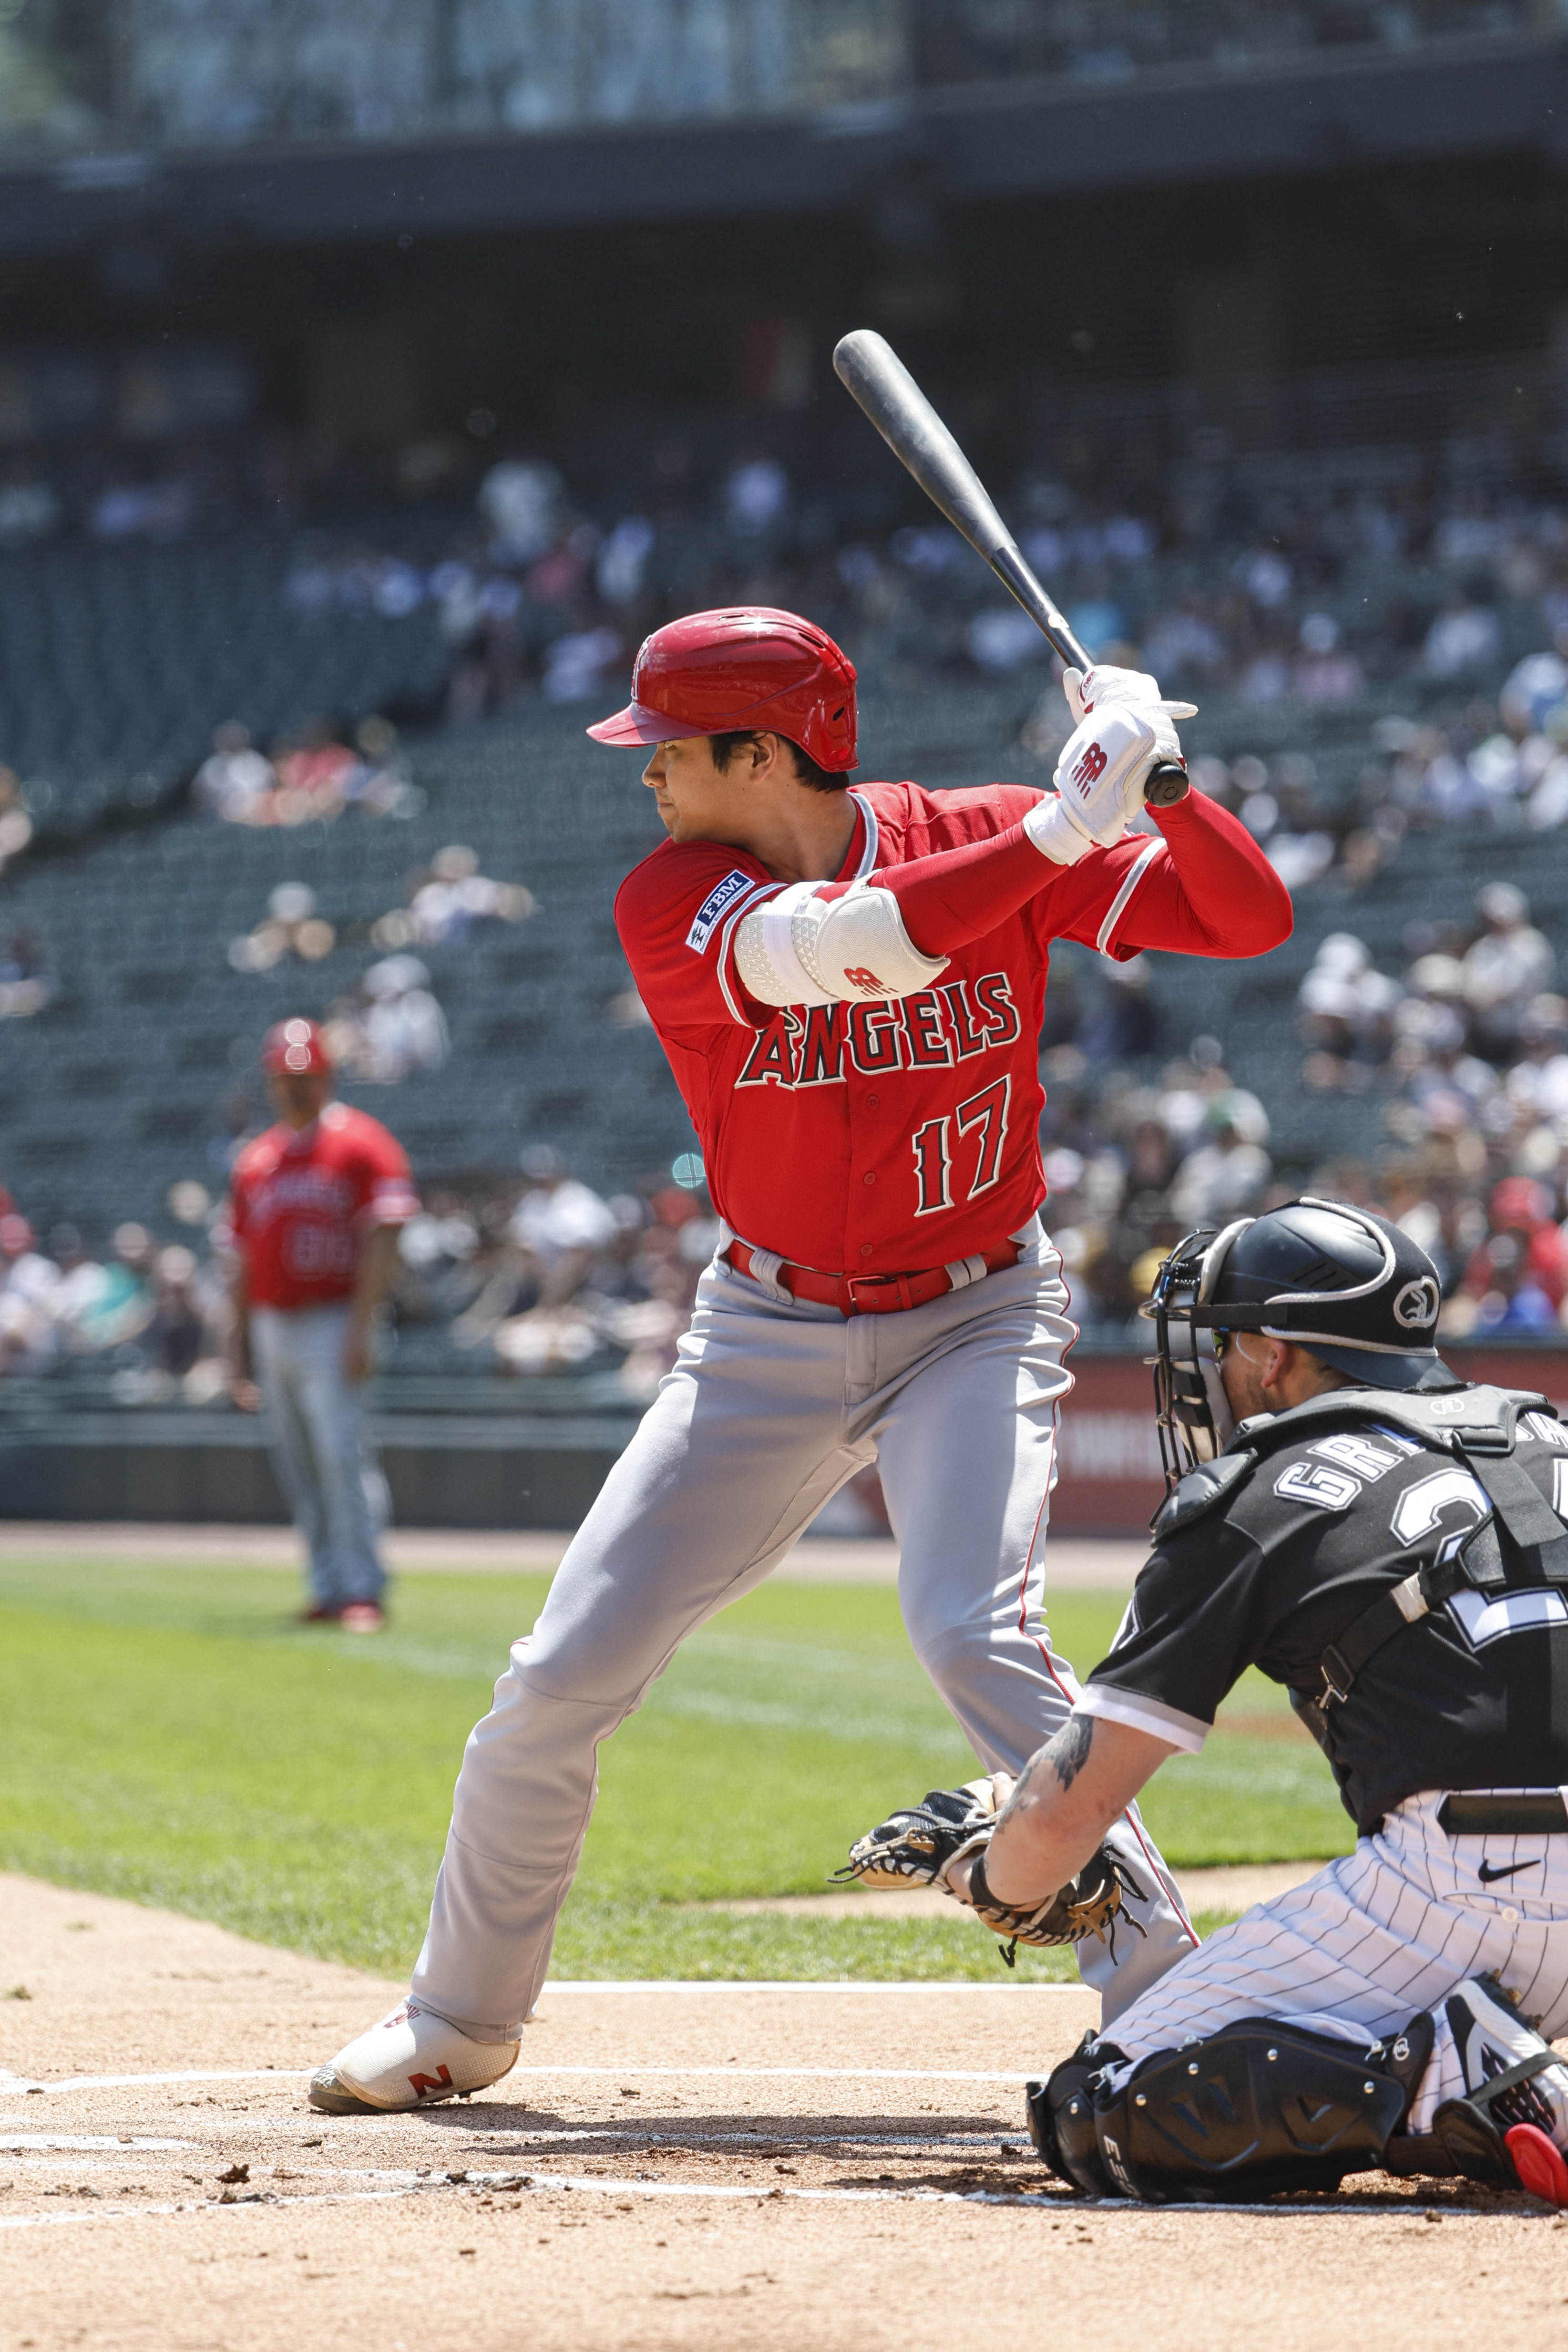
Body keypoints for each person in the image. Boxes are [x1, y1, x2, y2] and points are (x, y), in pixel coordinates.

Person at [308, 602, 1292, 2115]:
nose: (645, 778)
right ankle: (461, 2016)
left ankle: (1170, 1997)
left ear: (760, 752)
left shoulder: (968, 829)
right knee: (556, 1677)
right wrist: (1058, 822)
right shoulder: (675, 896)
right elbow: (843, 953)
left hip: (975, 1307)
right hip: (765, 1325)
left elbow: (1244, 918)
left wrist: (1163, 782)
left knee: (971, 1629)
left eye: (670, 751)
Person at [925, 1200, 1568, 2208]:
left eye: (1225, 1343)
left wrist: (1001, 1880)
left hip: (1460, 1885)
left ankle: (1446, 2078)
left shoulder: (1261, 1491)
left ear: (1275, 1357)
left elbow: (1064, 1813)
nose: (1213, 1367)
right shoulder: (1549, 1435)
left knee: (1104, 2113)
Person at [226, 1018, 420, 1631]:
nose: (293, 1089)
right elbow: (239, 1263)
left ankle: (362, 1586)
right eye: (284, 1078)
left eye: (304, 1077)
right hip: (271, 1322)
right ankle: (327, 1582)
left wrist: (362, 1328)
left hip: (335, 1316)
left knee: (341, 1454)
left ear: (326, 1076)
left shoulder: (362, 1142)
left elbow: (384, 1242)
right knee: (299, 1461)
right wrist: (236, 1354)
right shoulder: (256, 1159)